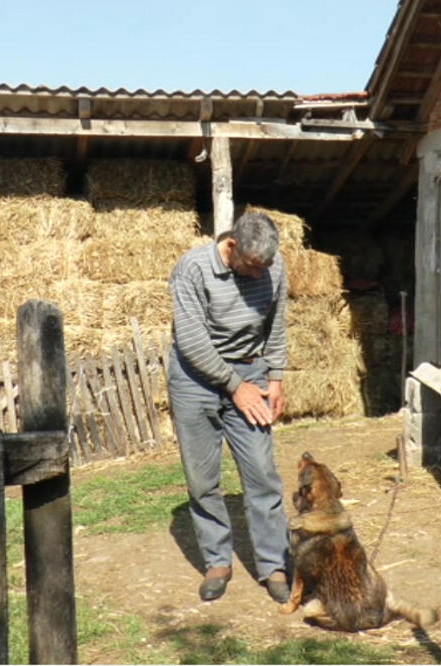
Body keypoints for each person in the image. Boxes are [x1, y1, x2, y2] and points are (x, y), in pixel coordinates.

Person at [167, 210, 290, 603]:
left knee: (262, 474)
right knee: (203, 479)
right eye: (253, 266)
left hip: (250, 373)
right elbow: (191, 341)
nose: (260, 274)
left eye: (266, 265)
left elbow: (276, 323)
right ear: (232, 246)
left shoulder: (272, 265)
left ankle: (274, 565)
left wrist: (275, 378)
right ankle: (217, 561)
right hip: (195, 380)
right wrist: (236, 387)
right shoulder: (192, 269)